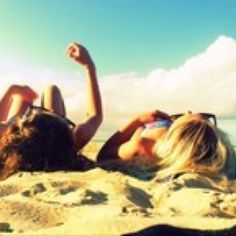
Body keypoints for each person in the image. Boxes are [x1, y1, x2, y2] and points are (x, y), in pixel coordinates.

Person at [0, 43, 102, 179]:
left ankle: (23, 100)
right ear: (63, 129)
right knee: (51, 90)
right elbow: (95, 115)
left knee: (23, 99)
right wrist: (89, 66)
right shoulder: (68, 142)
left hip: (27, 139)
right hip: (40, 138)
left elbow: (95, 116)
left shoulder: (12, 142)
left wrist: (12, 90)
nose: (30, 112)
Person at [97, 110, 235, 179]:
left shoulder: (145, 144)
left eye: (180, 118)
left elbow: (103, 155)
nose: (188, 111)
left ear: (178, 134)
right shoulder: (225, 154)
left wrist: (138, 121)